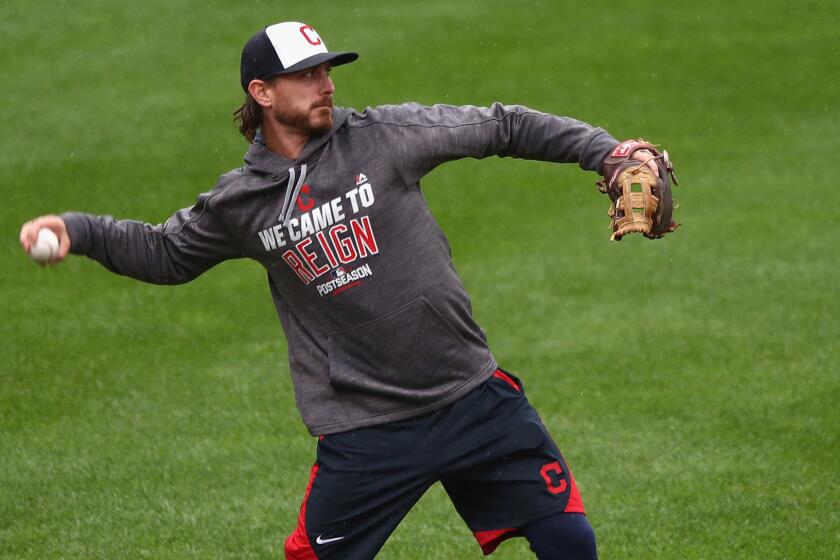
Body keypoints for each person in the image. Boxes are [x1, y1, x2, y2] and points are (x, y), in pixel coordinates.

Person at [20, 21, 659, 560]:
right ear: (262, 92)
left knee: (571, 543)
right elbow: (165, 253)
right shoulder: (242, 203)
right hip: (367, 430)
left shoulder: (382, 137)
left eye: (328, 71)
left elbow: (502, 126)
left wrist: (604, 153)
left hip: (472, 398)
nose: (326, 85)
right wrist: (79, 230)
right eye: (307, 75)